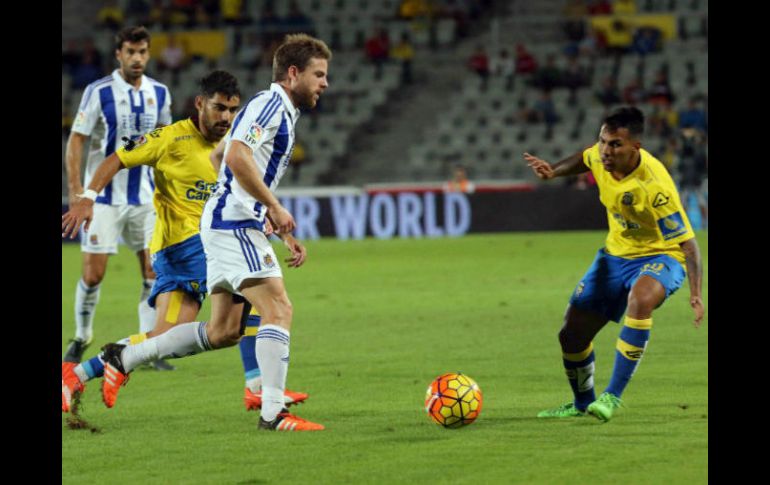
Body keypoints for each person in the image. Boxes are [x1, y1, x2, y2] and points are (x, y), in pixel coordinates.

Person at [63, 33, 332, 432]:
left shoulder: (254, 122)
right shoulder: (180, 135)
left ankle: (98, 366)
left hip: (214, 233)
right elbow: (118, 157)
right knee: (273, 305)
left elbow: (229, 157)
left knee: (220, 329)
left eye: (230, 111)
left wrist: (274, 225)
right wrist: (85, 196)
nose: (225, 117)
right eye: (319, 74)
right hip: (185, 243)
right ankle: (265, 399)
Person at [524, 106, 704, 422]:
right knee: (571, 335)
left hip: (661, 255)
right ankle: (582, 403)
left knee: (640, 299)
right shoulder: (600, 155)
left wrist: (696, 294)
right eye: (604, 141)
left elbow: (689, 245)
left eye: (615, 144)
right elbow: (585, 157)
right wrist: (554, 170)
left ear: (636, 147)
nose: (606, 150)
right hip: (615, 255)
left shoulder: (654, 186)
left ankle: (612, 396)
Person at [63, 26, 172, 370]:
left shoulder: (160, 93)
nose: (136, 58)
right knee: (94, 276)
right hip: (105, 200)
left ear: (149, 54)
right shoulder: (99, 92)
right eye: (130, 52)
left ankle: (146, 347)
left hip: (144, 199)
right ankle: (81, 336)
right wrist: (77, 191)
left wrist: (168, 193)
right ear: (118, 54)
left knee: (153, 273)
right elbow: (77, 139)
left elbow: (165, 145)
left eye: (142, 52)